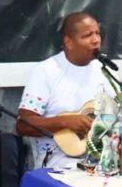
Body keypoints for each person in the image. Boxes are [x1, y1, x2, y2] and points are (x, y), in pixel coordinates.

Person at [16, 12, 107, 169]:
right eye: (87, 35)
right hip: (56, 157)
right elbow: (22, 125)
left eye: (97, 33)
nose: (96, 40)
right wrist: (65, 122)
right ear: (69, 42)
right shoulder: (46, 71)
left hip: (100, 153)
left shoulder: (105, 71)